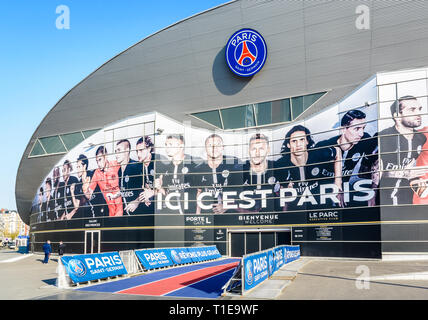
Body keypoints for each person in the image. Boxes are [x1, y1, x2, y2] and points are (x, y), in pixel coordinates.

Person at [315, 109, 377, 207]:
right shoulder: (325, 146)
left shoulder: (364, 140)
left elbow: (378, 156)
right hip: (321, 195)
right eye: (356, 129)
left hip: (346, 191)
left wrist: (373, 192)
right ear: (343, 129)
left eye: (363, 128)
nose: (361, 134)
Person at [378, 95, 428, 205]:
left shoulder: (421, 138)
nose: (418, 113)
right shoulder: (382, 137)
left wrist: (417, 181)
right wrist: (403, 173)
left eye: (419, 109)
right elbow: (370, 173)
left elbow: (410, 169)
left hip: (407, 202)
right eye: (412, 110)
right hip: (384, 203)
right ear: (397, 116)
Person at [194, 134, 242, 214]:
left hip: (230, 215)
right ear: (205, 148)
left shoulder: (233, 163)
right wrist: (198, 214)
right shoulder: (199, 168)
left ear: (223, 147)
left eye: (218, 145)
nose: (214, 148)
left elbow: (241, 190)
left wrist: (227, 205)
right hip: (209, 215)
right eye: (210, 145)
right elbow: (198, 192)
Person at [155, 134, 200, 214]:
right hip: (171, 216)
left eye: (170, 144)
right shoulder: (164, 167)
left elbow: (199, 191)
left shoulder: (193, 164)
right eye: (166, 145)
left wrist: (197, 214)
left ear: (181, 146)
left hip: (189, 215)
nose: (167, 148)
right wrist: (159, 188)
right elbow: (164, 193)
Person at [238, 133, 278, 213]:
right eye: (253, 149)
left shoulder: (277, 167)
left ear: (268, 150)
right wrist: (249, 213)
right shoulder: (241, 169)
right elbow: (230, 201)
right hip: (247, 220)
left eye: (261, 149)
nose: (257, 153)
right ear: (249, 150)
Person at [85, 146, 123, 217]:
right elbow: (88, 194)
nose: (98, 164)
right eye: (97, 161)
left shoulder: (116, 165)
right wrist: (86, 188)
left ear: (106, 157)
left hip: (123, 210)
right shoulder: (97, 173)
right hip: (111, 213)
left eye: (100, 160)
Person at [115, 139, 143, 215]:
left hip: (140, 214)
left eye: (119, 150)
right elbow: (124, 191)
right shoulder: (119, 171)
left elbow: (146, 189)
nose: (116, 154)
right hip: (127, 215)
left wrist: (137, 201)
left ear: (127, 150)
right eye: (115, 151)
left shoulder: (137, 166)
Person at [135, 136, 156, 214]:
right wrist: (145, 197)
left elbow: (167, 187)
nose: (138, 154)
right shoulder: (139, 166)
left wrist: (152, 192)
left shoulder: (158, 161)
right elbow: (144, 187)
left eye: (141, 150)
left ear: (149, 148)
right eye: (137, 151)